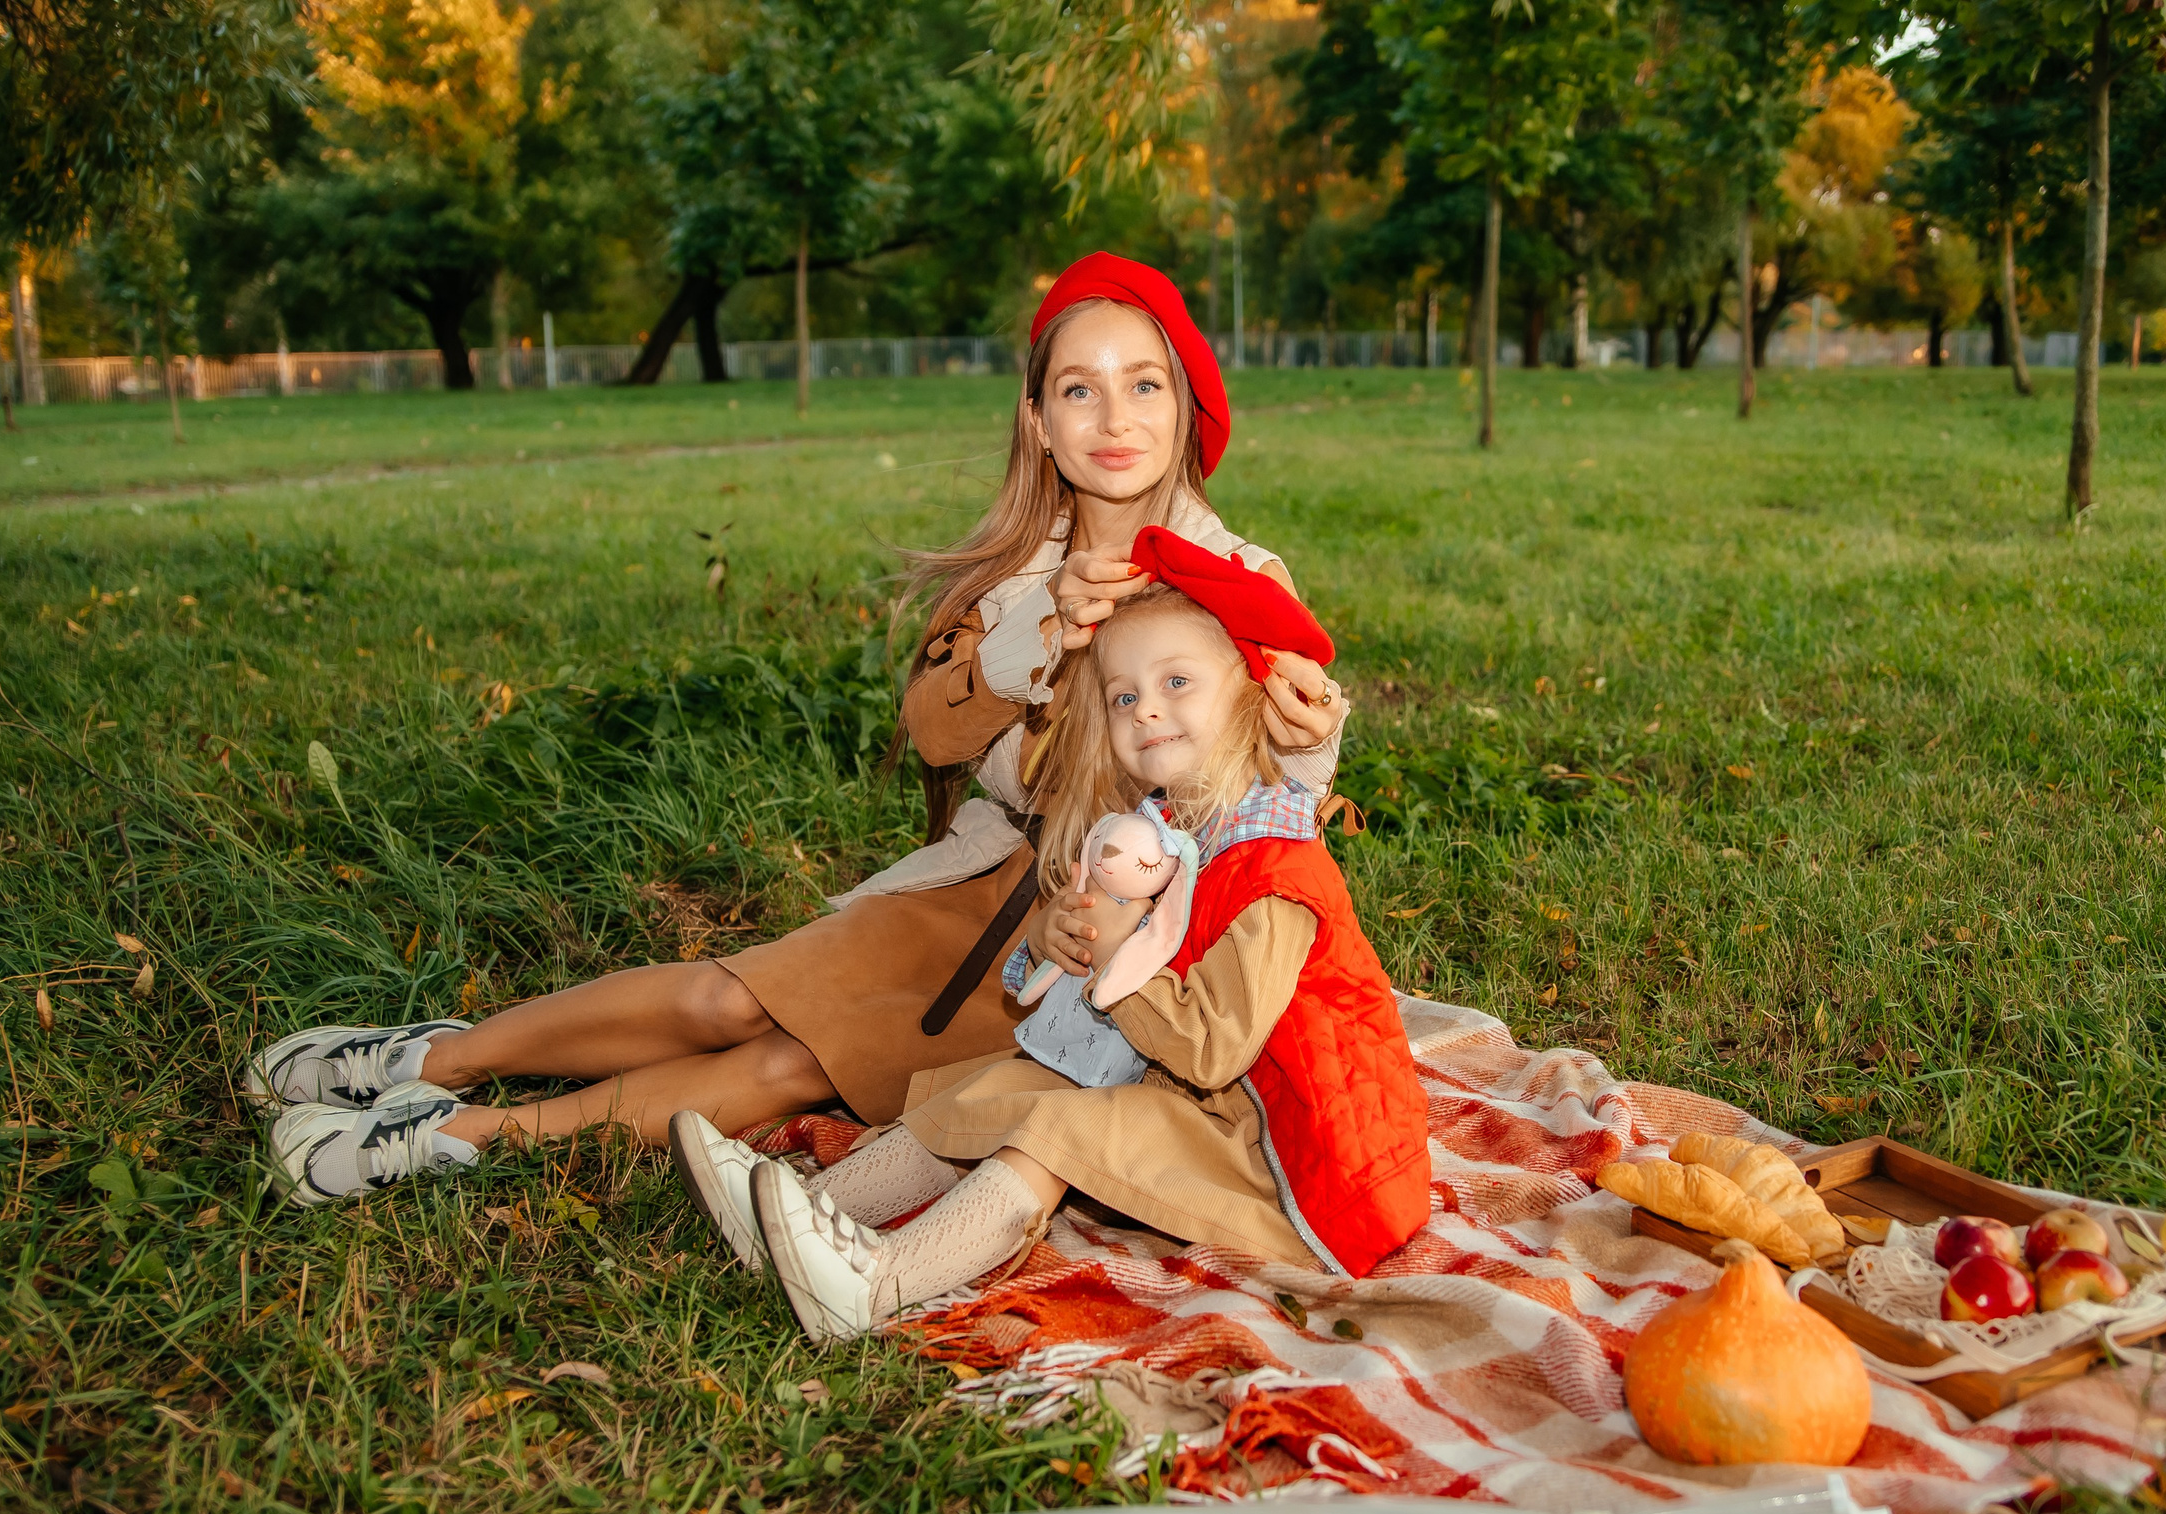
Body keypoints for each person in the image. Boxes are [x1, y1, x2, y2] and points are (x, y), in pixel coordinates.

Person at [249, 254, 1349, 1206]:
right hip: (988, 873)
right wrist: (1041, 635)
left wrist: (1309, 739)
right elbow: (929, 733)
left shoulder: (1243, 582)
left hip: (1091, 936)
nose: (1115, 419)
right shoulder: (1018, 569)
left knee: (789, 1064)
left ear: (1186, 407)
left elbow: (1274, 799)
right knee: (724, 993)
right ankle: (433, 1058)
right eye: (1080, 389)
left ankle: (444, 1142)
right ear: (1038, 420)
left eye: (1143, 384)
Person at [669, 538, 1430, 1342]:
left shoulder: (1278, 870)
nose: (1147, 711)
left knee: (1055, 1129)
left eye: (1177, 682)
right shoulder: (1170, 832)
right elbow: (1118, 972)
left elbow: (1210, 1046)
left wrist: (1115, 950)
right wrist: (1060, 937)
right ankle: (805, 1214)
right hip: (1209, 1105)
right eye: (1123, 696)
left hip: (1302, 1165)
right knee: (1006, 1086)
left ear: (1246, 694)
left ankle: (871, 1285)